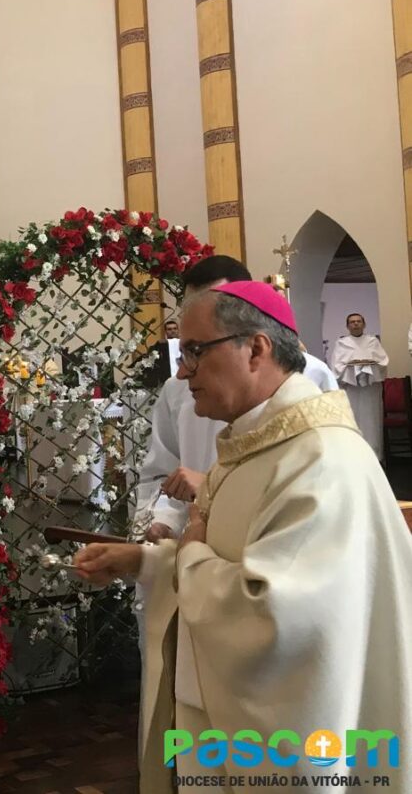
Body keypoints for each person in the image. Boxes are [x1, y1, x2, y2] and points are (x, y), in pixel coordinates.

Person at [76, 282, 412, 793]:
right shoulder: (260, 447)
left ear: (255, 348)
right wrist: (144, 562)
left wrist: (187, 561)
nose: (183, 370)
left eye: (195, 351)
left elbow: (271, 615)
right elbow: (231, 559)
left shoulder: (320, 462)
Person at [138, 256, 338, 542]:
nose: (184, 371)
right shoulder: (176, 389)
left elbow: (310, 505)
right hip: (195, 541)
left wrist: (209, 489)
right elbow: (160, 473)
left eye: (197, 349)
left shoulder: (310, 378)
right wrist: (163, 522)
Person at [329, 313, 388, 461]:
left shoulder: (373, 341)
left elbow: (383, 363)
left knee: (371, 422)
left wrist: (367, 365)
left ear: (364, 324)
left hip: (370, 390)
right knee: (354, 420)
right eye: (352, 322)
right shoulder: (341, 343)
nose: (355, 324)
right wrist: (354, 367)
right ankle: (354, 458)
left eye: (359, 321)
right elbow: (336, 367)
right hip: (351, 390)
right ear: (347, 326)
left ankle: (375, 457)